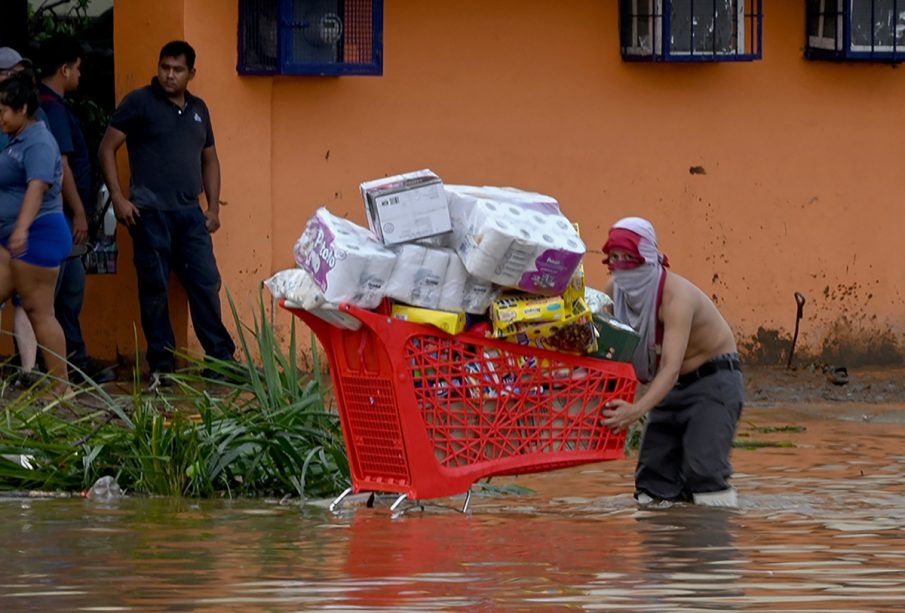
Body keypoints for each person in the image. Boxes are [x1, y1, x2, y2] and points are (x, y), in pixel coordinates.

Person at [98, 40, 235, 388]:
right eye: (164, 67)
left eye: (177, 70)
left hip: (191, 215)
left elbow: (210, 159)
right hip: (149, 214)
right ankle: (162, 365)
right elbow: (107, 148)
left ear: (192, 73)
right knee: (154, 288)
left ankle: (221, 361)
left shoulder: (199, 109)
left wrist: (214, 207)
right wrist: (118, 198)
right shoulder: (139, 103)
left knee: (206, 284)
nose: (169, 75)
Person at [600, 217, 743, 507]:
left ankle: (715, 540)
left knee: (704, 473)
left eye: (629, 257)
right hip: (670, 387)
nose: (621, 266)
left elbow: (671, 366)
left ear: (649, 257)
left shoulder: (676, 297)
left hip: (713, 381)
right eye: (614, 258)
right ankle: (661, 547)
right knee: (652, 479)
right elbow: (603, 347)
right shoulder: (613, 291)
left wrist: (636, 410)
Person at [38, 35, 114, 384]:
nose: (80, 76)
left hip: (62, 214)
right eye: (78, 69)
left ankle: (71, 360)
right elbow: (63, 165)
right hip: (64, 216)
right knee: (64, 293)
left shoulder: (51, 106)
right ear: (65, 69)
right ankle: (65, 364)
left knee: (68, 292)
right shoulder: (52, 108)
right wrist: (79, 213)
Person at [0, 71, 73, 394]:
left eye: (3, 110)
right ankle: (62, 388)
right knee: (37, 310)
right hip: (15, 237)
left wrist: (22, 229)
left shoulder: (40, 141)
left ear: (23, 110)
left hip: (37, 234)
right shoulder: (18, 140)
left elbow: (38, 186)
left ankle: (63, 388)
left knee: (39, 311)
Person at [0, 46, 46, 384]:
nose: (18, 76)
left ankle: (29, 371)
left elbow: (46, 172)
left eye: (20, 71)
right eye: (12, 71)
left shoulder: (32, 116)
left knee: (26, 297)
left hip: (22, 224)